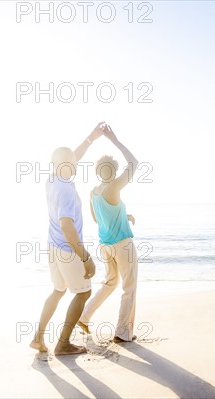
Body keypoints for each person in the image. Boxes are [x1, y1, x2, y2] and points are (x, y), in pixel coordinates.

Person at [30, 122, 105, 355]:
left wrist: (90, 139)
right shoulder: (66, 191)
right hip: (66, 248)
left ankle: (38, 338)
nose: (76, 163)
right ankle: (63, 343)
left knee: (58, 290)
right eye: (73, 161)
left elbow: (71, 157)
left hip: (52, 247)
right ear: (68, 165)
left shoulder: (53, 179)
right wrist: (85, 257)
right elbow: (66, 226)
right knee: (83, 292)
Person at [77, 124, 139, 342]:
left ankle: (84, 317)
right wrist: (114, 139)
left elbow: (98, 218)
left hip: (105, 246)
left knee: (110, 283)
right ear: (113, 171)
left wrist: (124, 215)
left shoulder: (94, 192)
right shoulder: (114, 187)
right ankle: (123, 332)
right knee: (128, 288)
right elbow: (134, 163)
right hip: (122, 245)